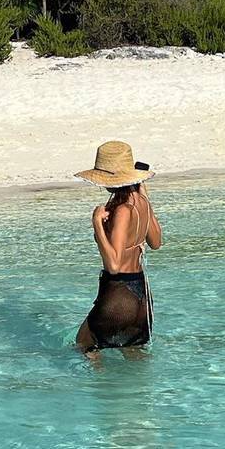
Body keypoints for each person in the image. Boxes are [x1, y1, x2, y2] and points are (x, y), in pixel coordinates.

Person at [74, 140, 162, 355]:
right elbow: (156, 243)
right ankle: (140, 390)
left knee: (84, 345)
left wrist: (97, 223)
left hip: (118, 294)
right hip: (141, 296)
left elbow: (113, 264)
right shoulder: (142, 202)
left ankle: (99, 388)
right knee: (132, 353)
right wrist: (144, 196)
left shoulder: (122, 210)